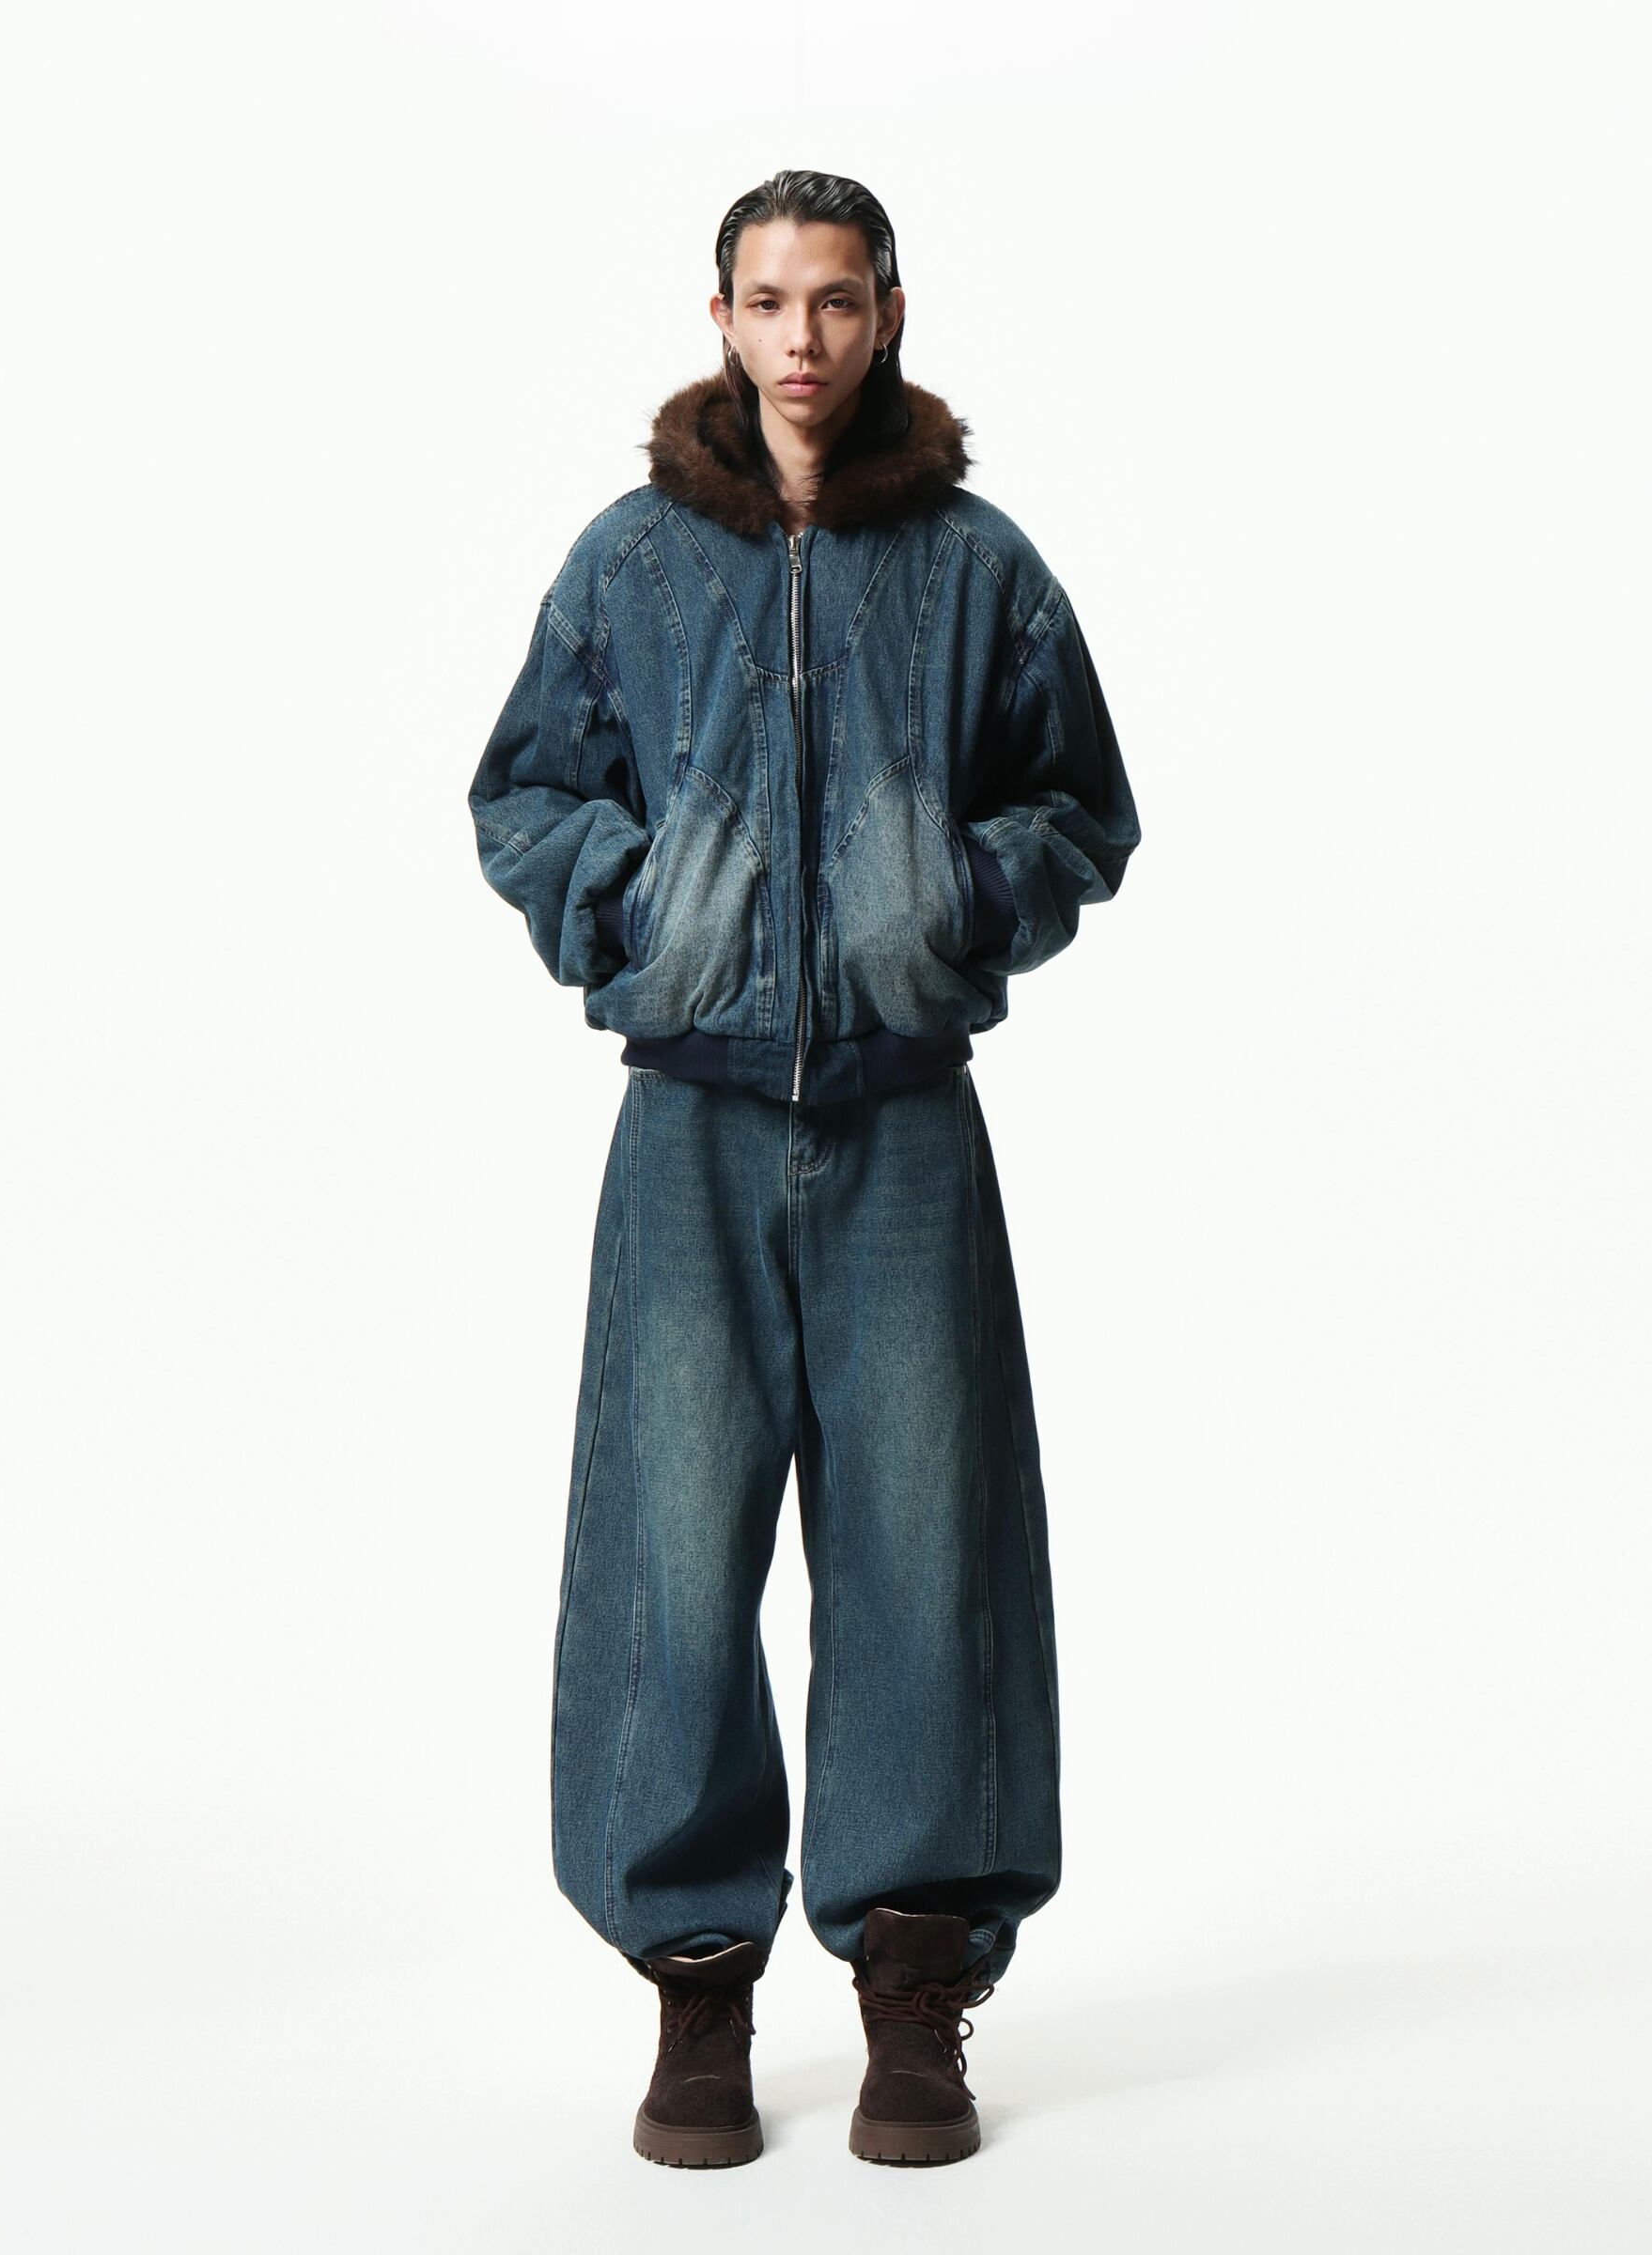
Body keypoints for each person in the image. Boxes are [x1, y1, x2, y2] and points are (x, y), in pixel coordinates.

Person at [467, 168, 1142, 2169]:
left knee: (928, 1543)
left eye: (836, 301)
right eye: (768, 301)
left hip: (906, 1118)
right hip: (684, 1121)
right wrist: (638, 912)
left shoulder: (979, 565)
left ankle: (915, 1984)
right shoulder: (633, 562)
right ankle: (696, 1985)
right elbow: (524, 793)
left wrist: (957, 901)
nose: (802, 339)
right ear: (721, 314)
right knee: (673, 1547)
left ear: (888, 313)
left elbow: (1083, 806)